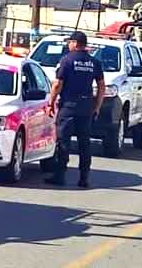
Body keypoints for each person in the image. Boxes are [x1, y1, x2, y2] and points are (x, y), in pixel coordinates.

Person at [46, 31, 106, 188]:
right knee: (84, 143)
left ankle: (60, 175)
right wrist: (97, 106)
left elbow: (57, 84)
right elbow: (101, 86)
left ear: (75, 43)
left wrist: (51, 103)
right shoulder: (94, 62)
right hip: (86, 107)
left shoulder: (67, 60)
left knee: (63, 141)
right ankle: (84, 178)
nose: (68, 45)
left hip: (69, 106)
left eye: (70, 42)